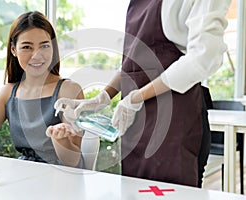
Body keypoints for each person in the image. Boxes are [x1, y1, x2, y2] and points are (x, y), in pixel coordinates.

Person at [54, 0, 231, 186]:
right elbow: (133, 62)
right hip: (136, 125)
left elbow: (203, 58)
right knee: (135, 190)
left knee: (170, 193)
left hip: (174, 121)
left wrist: (137, 97)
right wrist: (102, 98)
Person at [0, 11, 84, 168]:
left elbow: (72, 161)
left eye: (44, 46)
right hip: (25, 174)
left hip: (64, 179)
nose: (37, 55)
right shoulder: (8, 93)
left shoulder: (69, 91)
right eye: (27, 47)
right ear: (13, 50)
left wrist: (61, 139)